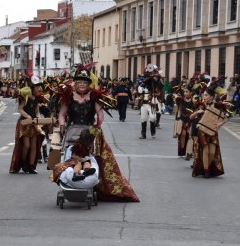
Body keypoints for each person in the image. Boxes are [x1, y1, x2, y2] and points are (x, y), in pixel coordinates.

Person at [57, 68, 139, 202]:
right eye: (79, 82)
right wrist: (62, 125)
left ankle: (87, 177)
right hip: (72, 131)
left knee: (89, 156)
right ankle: (74, 175)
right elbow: (61, 114)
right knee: (72, 154)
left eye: (85, 82)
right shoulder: (68, 97)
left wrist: (97, 127)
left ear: (88, 84)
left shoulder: (94, 97)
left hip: (89, 132)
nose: (82, 84)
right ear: (75, 84)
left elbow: (100, 114)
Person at [9, 77, 45, 174]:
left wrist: (38, 118)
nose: (39, 89)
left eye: (39, 87)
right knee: (26, 145)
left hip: (33, 123)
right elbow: (20, 109)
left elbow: (37, 111)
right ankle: (23, 163)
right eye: (37, 87)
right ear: (32, 87)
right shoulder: (25, 96)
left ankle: (31, 166)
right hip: (24, 123)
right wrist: (28, 116)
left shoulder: (37, 98)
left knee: (34, 146)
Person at [190, 88, 228, 178]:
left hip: (212, 131)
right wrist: (197, 112)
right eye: (204, 95)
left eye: (206, 95)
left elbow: (226, 118)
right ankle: (206, 171)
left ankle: (204, 168)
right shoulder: (201, 105)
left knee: (212, 152)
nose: (204, 97)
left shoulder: (218, 106)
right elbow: (191, 117)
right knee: (205, 150)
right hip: (202, 131)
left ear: (212, 96)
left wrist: (220, 124)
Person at [137, 65, 163, 139]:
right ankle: (143, 134)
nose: (146, 77)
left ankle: (153, 132)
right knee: (143, 118)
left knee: (152, 118)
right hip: (143, 104)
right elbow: (139, 91)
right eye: (145, 76)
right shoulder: (143, 83)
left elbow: (159, 89)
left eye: (147, 76)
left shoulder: (154, 82)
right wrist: (142, 84)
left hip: (151, 103)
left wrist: (154, 79)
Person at [176, 86, 195, 157]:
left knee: (190, 136)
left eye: (187, 91)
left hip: (191, 120)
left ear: (191, 92)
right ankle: (182, 150)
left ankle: (190, 151)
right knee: (183, 134)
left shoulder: (194, 101)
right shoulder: (181, 100)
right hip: (183, 119)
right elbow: (177, 102)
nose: (185, 93)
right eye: (184, 92)